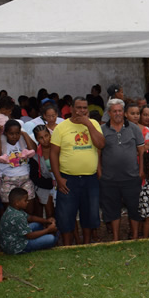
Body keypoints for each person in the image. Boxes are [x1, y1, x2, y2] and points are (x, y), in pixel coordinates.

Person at [50, 97, 105, 246]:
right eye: (78, 107)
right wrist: (58, 178)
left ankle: (86, 244)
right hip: (68, 179)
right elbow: (53, 154)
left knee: (89, 214)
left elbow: (101, 144)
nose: (82, 111)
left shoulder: (93, 124)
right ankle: (67, 245)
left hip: (90, 178)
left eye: (84, 108)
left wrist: (88, 124)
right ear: (71, 109)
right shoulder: (61, 127)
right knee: (66, 215)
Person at [98, 99, 143, 242]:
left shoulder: (134, 128)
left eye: (120, 111)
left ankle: (134, 236)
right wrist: (100, 173)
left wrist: (141, 172)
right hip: (109, 179)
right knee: (112, 209)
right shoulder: (102, 130)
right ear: (109, 113)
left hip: (131, 177)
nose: (117, 113)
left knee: (134, 208)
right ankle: (116, 238)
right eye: (114, 111)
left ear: (123, 112)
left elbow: (141, 152)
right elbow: (97, 154)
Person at [0, 119, 37, 207]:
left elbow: (33, 149)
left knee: (29, 206)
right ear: (5, 133)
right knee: (10, 208)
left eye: (17, 133)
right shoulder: (1, 143)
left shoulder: (22, 141)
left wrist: (24, 134)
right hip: (8, 181)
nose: (14, 136)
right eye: (11, 134)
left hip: (25, 179)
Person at [0, 187, 57, 254]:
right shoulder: (18, 216)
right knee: (51, 239)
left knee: (37, 225)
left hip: (11, 240)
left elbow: (30, 218)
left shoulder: (12, 209)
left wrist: (47, 221)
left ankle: (42, 236)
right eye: (25, 200)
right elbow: (30, 236)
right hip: (16, 247)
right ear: (17, 203)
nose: (27, 202)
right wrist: (48, 230)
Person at [29, 125, 55, 219]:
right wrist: (50, 183)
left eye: (46, 136)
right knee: (49, 213)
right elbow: (34, 176)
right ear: (37, 139)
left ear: (50, 135)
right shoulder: (35, 155)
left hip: (60, 182)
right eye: (41, 138)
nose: (45, 140)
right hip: (45, 185)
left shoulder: (58, 148)